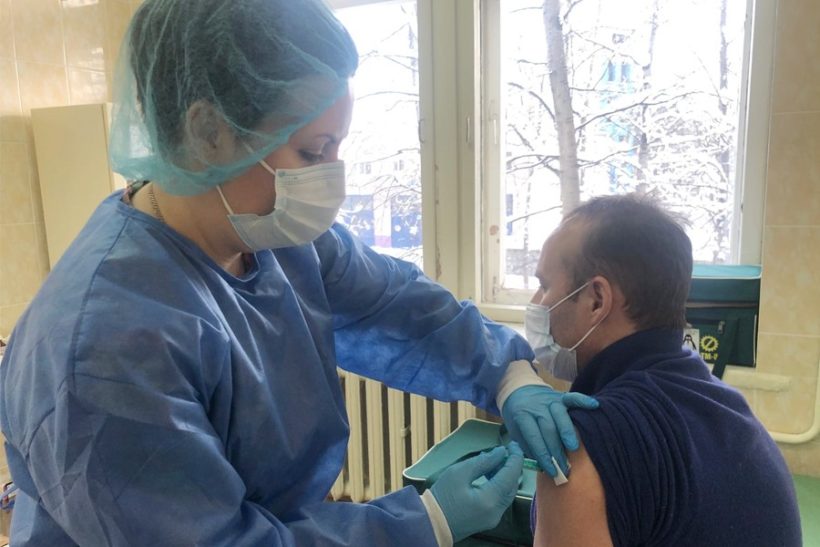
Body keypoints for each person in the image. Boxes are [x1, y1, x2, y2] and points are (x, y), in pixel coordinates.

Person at [0, 1, 598, 545]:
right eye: (313, 152)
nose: (331, 175)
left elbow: (396, 305)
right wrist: (425, 523)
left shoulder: (274, 237)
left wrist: (508, 373)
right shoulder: (104, 346)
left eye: (336, 147)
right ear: (208, 133)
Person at [526, 195, 802, 546]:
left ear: (596, 300)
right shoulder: (726, 404)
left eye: (544, 286)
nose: (536, 304)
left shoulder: (580, 443)